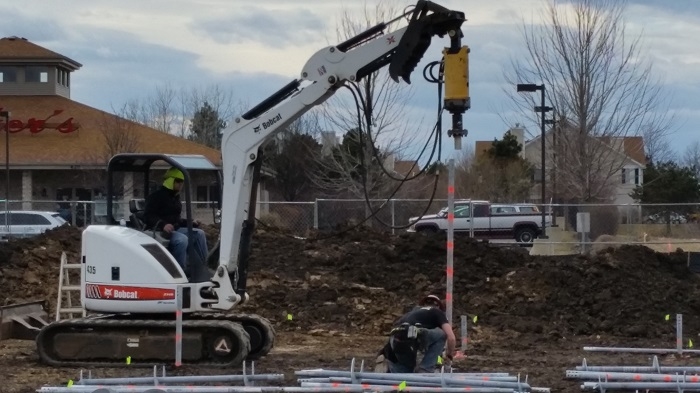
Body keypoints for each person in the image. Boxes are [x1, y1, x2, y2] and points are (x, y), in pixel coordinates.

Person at [143, 167, 208, 271]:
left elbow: (176, 220)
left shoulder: (175, 198)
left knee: (199, 234)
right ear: (170, 180)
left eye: (182, 182)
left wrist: (191, 223)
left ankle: (201, 268)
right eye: (178, 181)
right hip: (159, 231)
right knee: (182, 240)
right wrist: (163, 224)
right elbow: (148, 216)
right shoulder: (156, 197)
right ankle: (179, 271)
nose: (180, 184)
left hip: (174, 229)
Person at [380, 295, 457, 373]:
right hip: (412, 336)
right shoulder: (437, 311)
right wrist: (449, 356)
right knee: (442, 335)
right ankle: (425, 369)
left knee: (405, 379)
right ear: (438, 306)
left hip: (394, 343)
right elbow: (451, 338)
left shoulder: (410, 313)